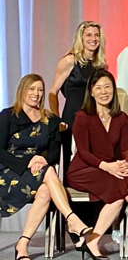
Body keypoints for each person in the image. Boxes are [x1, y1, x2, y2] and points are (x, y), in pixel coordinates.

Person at [66, 70, 128, 259]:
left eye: (108, 87)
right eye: (98, 88)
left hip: (110, 171)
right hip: (83, 169)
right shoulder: (82, 116)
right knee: (120, 181)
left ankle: (92, 241)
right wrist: (107, 166)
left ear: (113, 89)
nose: (104, 91)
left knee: (119, 194)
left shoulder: (121, 117)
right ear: (91, 91)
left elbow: (126, 148)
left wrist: (126, 163)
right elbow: (83, 152)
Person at [1, 74, 93, 260]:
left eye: (40, 89)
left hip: (37, 172)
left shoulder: (49, 120)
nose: (36, 93)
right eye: (32, 89)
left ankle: (22, 244)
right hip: (8, 172)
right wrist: (27, 162)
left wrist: (42, 160)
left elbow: (53, 153)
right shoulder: (8, 116)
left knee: (45, 191)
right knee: (49, 173)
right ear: (22, 91)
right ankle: (72, 220)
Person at [48, 21, 107, 181]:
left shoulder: (100, 65)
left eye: (96, 35)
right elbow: (53, 92)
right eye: (89, 35)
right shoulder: (69, 61)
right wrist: (57, 118)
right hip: (72, 118)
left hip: (94, 119)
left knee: (94, 163)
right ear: (81, 37)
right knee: (71, 164)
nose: (93, 39)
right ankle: (68, 204)